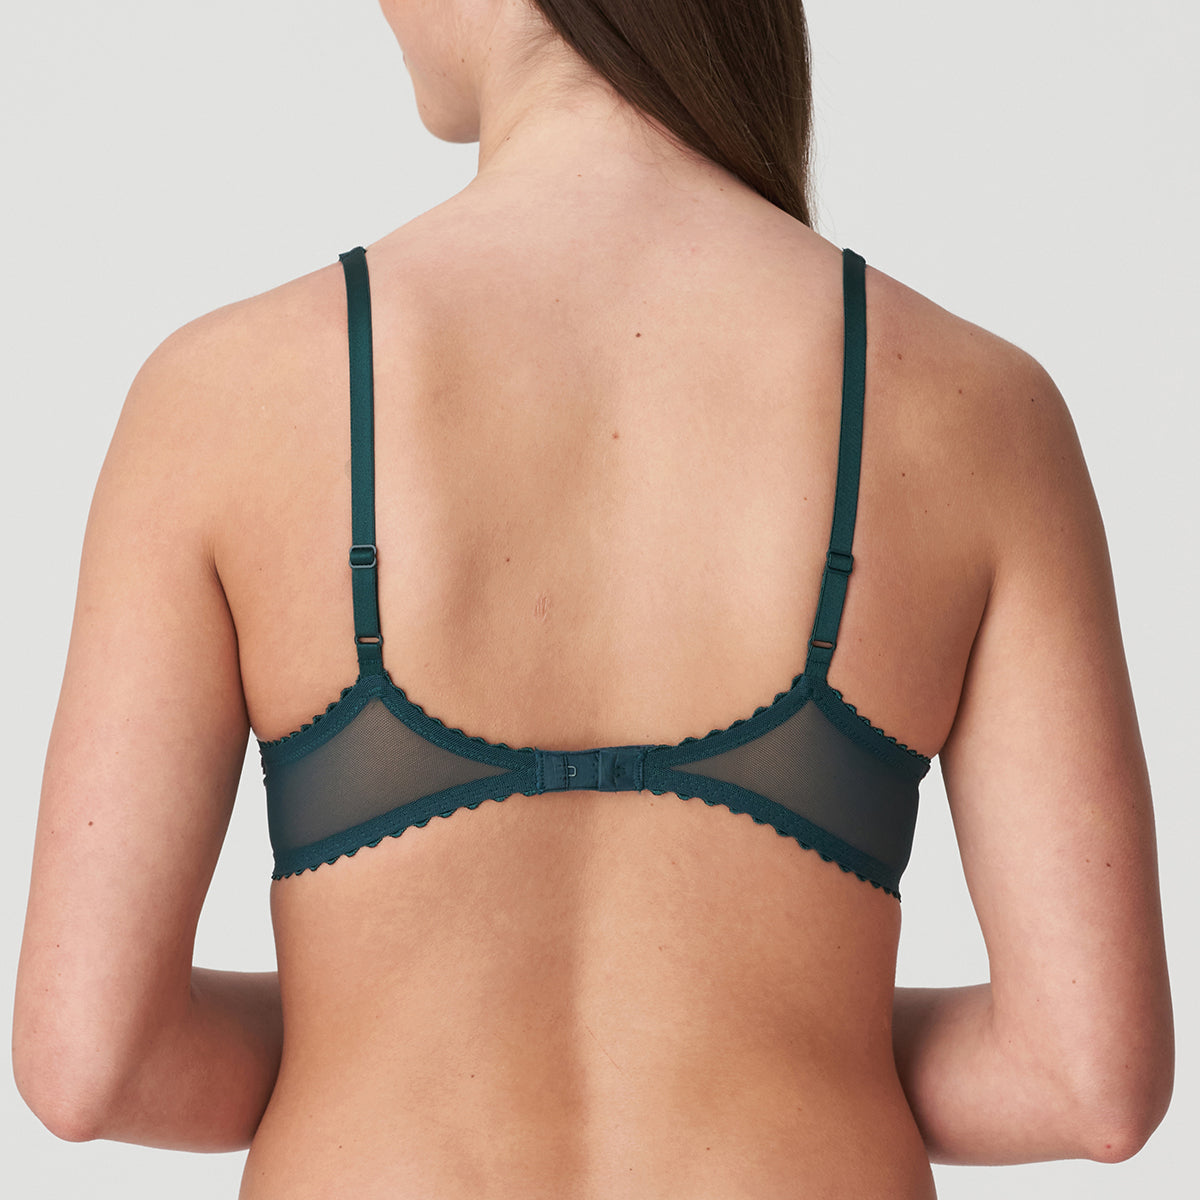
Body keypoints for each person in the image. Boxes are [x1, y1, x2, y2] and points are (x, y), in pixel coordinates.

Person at [12, 1, 1173, 1196]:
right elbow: (1083, 1079)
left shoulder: (224, 397)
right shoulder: (977, 408)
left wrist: (362, 1026)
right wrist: (780, 1036)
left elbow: (92, 1063)